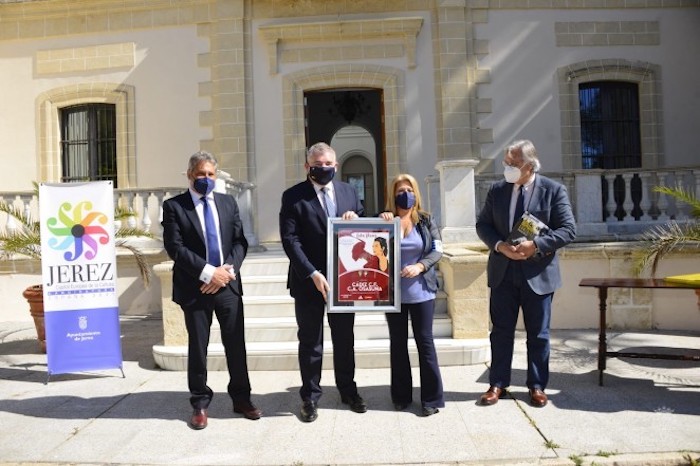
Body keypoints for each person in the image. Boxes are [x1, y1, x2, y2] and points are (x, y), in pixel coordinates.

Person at [162, 150, 261, 430]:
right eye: (201, 174)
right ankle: (200, 403)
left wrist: (226, 271)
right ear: (190, 175)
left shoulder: (228, 203)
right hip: (196, 287)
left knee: (235, 344)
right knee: (198, 348)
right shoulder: (174, 207)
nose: (206, 179)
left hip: (227, 284)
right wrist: (209, 272)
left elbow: (240, 241)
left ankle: (242, 399)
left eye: (210, 174)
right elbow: (175, 248)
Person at [475, 140, 576, 408]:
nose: (507, 168)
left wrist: (536, 245)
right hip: (503, 272)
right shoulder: (497, 190)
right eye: (505, 163)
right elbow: (483, 224)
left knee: (538, 334)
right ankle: (497, 383)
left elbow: (568, 230)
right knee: (501, 331)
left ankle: (537, 386)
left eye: (513, 164)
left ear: (529, 166)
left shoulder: (553, 191)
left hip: (538, 274)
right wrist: (499, 246)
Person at [279, 142, 367, 423]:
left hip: (344, 281)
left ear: (336, 165)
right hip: (308, 282)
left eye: (329, 164)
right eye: (318, 164)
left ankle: (348, 391)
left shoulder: (349, 192)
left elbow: (363, 226)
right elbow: (290, 240)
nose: (324, 168)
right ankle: (310, 397)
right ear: (307, 167)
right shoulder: (293, 197)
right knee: (310, 342)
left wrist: (356, 218)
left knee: (344, 339)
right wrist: (313, 273)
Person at [379, 174, 444, 417]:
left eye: (409, 189)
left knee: (425, 344)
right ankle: (401, 397)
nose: (404, 194)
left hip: (422, 293)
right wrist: (383, 225)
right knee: (398, 345)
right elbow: (371, 248)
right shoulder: (384, 220)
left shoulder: (426, 220)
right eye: (399, 190)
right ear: (392, 194)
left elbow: (438, 249)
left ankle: (431, 399)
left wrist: (421, 266)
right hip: (393, 294)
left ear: (416, 193)